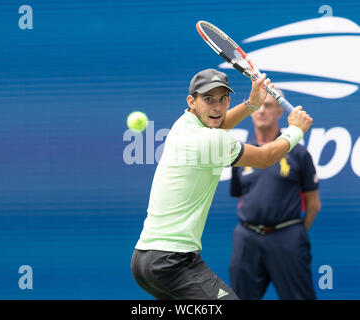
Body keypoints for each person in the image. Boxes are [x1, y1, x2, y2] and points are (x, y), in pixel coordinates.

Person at [131, 68, 313, 300]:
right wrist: (296, 130)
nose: (216, 107)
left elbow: (219, 122)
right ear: (192, 101)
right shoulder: (209, 141)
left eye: (223, 99)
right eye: (208, 99)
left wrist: (251, 104)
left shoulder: (184, 124)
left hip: (145, 259)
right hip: (172, 261)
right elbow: (265, 158)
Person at [229, 90, 321, 300]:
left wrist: (293, 232)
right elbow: (241, 197)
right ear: (250, 111)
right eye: (258, 105)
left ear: (280, 111)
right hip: (247, 238)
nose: (262, 111)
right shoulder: (242, 152)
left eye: (268, 105)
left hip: (286, 237)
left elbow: (313, 203)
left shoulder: (299, 153)